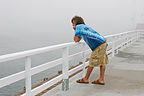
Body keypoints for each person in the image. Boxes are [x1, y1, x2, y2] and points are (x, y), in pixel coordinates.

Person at [71, 16, 109, 85]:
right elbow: (79, 37)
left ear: (77, 22)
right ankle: (101, 79)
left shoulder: (78, 27)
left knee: (92, 61)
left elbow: (76, 40)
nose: (73, 25)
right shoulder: (84, 27)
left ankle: (85, 79)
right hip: (103, 42)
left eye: (73, 23)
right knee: (102, 62)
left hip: (98, 45)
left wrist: (75, 29)